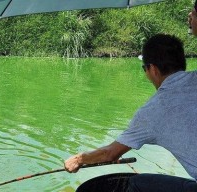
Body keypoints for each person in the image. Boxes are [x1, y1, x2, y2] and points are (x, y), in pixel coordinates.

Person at [64, 34, 197, 192]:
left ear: (152, 69)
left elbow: (109, 154)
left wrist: (79, 159)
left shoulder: (152, 111)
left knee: (136, 184)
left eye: (144, 68)